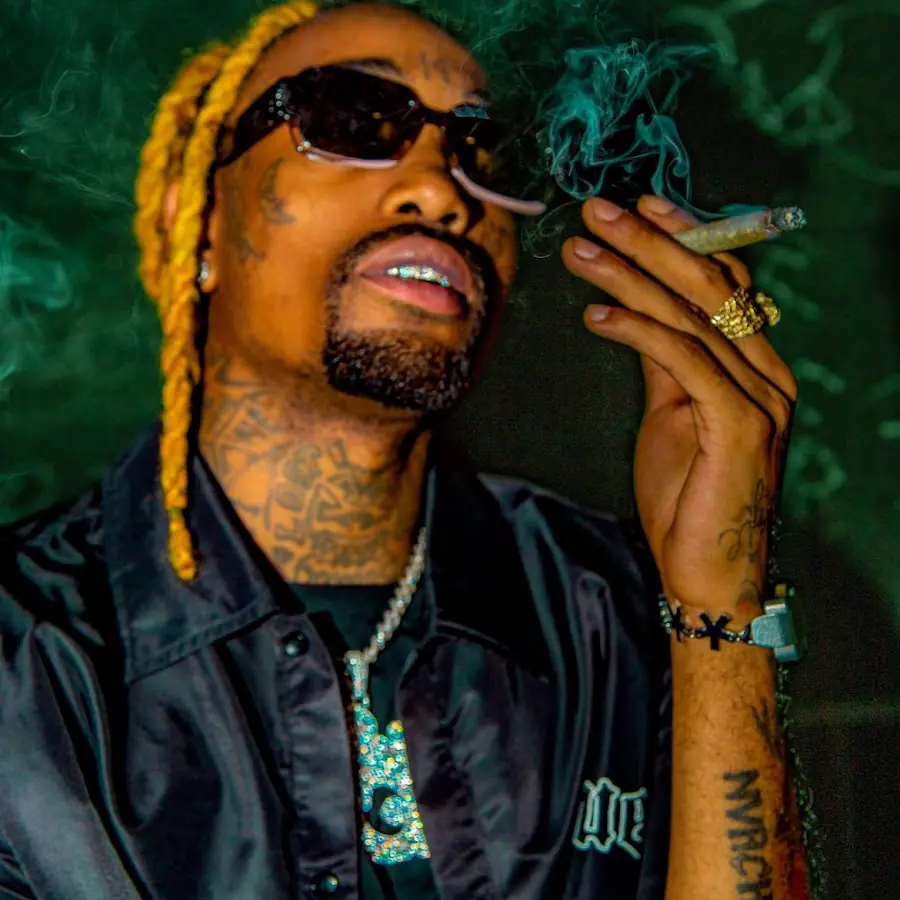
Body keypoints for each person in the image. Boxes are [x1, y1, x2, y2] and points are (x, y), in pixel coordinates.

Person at [0, 1, 813, 898]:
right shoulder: (23, 660)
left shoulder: (619, 613)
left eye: (481, 151)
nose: (442, 189)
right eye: (351, 120)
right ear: (196, 221)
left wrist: (721, 605)